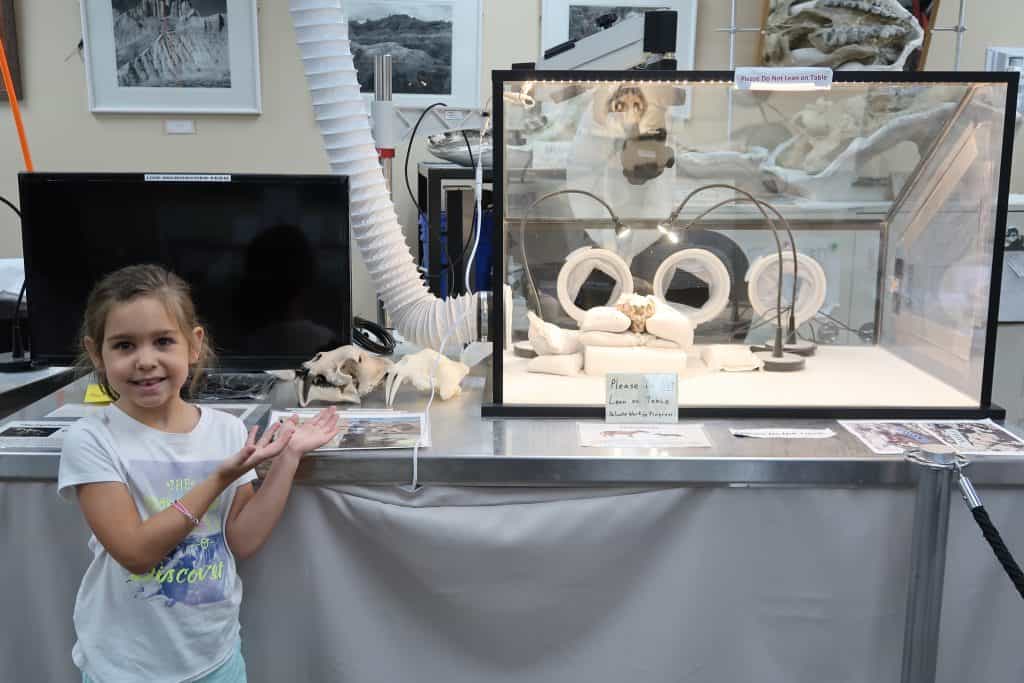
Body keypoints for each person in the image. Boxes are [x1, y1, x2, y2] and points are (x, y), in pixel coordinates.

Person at [57, 264, 340, 683]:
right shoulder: (91, 440)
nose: (145, 361)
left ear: (193, 345)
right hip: (125, 667)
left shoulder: (225, 430)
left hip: (216, 660)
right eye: (124, 346)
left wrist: (288, 459)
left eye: (163, 341)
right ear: (97, 354)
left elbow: (242, 539)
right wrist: (218, 479)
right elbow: (136, 553)